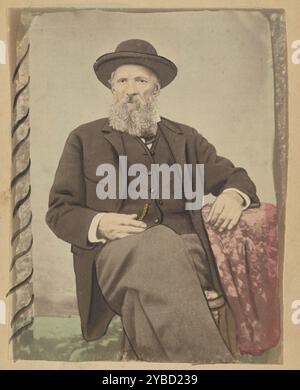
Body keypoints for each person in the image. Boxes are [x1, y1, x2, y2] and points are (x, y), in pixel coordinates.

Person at [46, 39, 260, 363]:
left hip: (189, 254)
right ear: (111, 88)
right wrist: (98, 223)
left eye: (140, 81)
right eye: (122, 81)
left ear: (156, 89)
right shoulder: (84, 139)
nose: (130, 90)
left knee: (143, 292)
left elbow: (236, 177)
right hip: (112, 256)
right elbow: (59, 211)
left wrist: (233, 194)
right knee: (156, 243)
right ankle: (214, 365)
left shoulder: (186, 138)